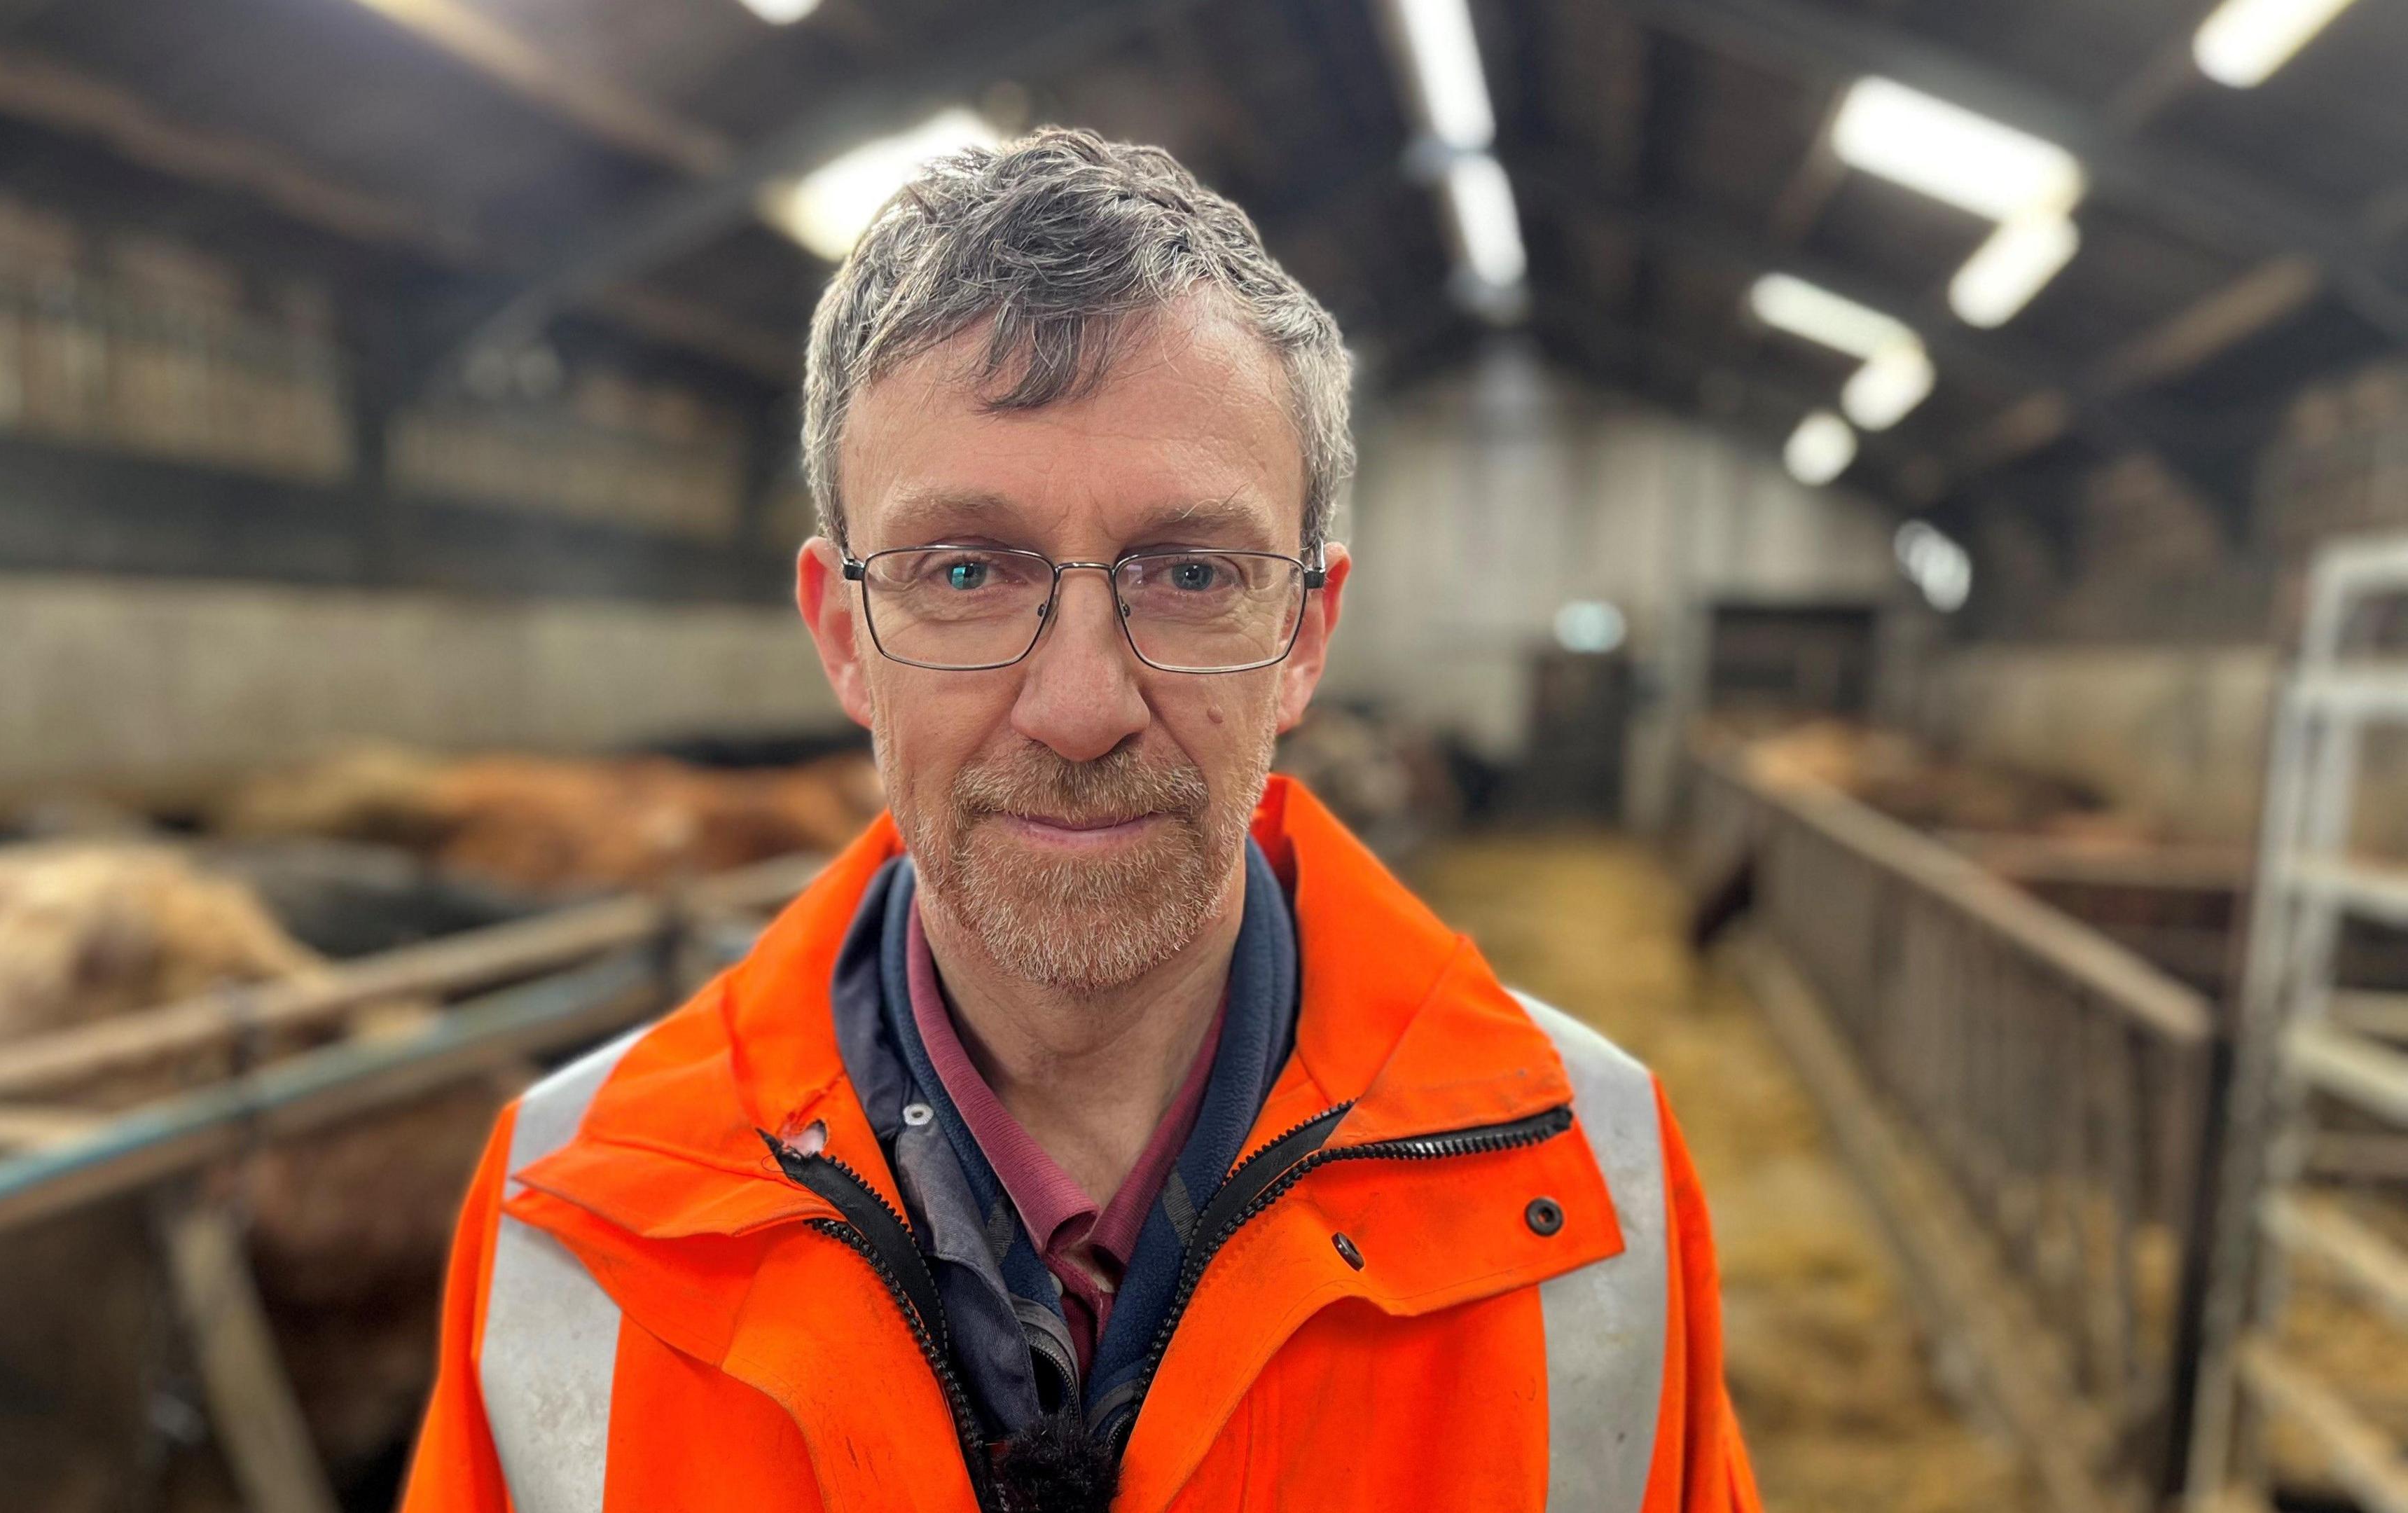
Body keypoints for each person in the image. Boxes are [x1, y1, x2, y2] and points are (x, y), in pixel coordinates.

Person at [402, 128, 1758, 1513]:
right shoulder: (562, 1214)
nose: (1079, 704)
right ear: (843, 636)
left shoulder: (1599, 1183)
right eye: (969, 569)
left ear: (1303, 635)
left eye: (1187, 572)